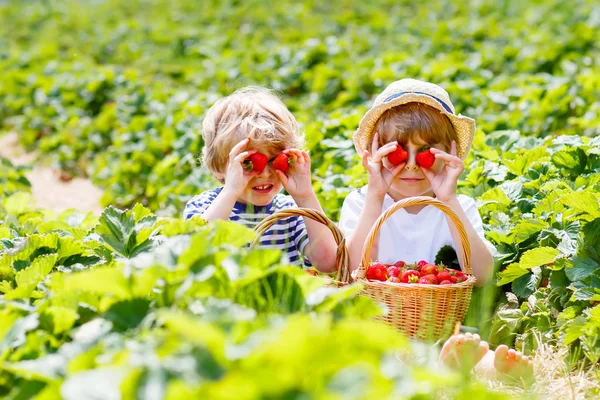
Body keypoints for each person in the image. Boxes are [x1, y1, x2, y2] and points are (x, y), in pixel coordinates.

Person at [339, 78, 495, 284]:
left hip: (442, 313)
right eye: (398, 151)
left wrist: (448, 199)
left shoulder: (459, 207)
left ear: (449, 151)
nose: (412, 164)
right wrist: (375, 196)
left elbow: (484, 276)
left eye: (424, 151)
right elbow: (351, 273)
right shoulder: (360, 203)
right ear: (377, 151)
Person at [184, 87, 338, 272]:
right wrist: (230, 192)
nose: (265, 173)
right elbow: (195, 255)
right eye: (247, 162)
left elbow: (329, 263)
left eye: (274, 160)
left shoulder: (291, 211)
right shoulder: (204, 206)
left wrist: (305, 197)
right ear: (218, 168)